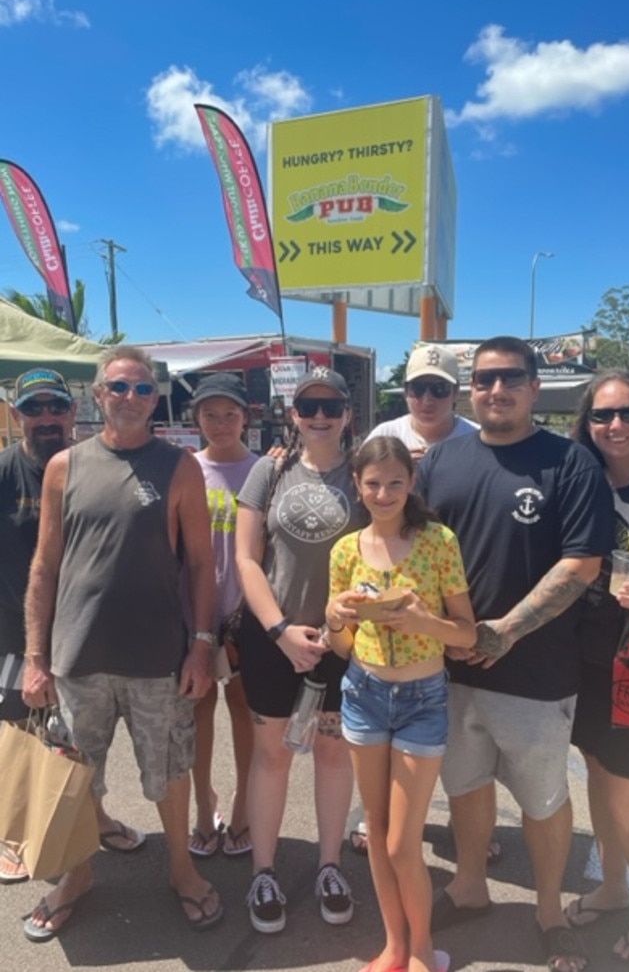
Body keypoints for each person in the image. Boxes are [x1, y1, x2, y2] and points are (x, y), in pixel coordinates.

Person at [415, 336, 614, 972]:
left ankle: (550, 910)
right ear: (471, 387)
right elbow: (414, 552)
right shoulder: (441, 461)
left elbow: (583, 563)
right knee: (466, 787)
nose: (496, 389)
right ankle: (469, 888)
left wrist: (506, 631)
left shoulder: (570, 464)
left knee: (544, 799)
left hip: (537, 673)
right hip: (449, 670)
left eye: (511, 378)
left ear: (533, 387)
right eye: (485, 378)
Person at [21, 345, 222, 940]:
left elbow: (201, 566)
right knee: (75, 779)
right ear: (98, 395)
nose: (130, 398)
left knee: (169, 773)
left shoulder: (179, 466)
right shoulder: (66, 466)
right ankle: (77, 876)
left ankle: (181, 870)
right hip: (78, 659)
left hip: (158, 660)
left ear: (155, 399)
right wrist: (36, 659)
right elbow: (45, 566)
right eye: (118, 387)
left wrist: (202, 645)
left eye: (141, 389)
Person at [325, 436, 476, 972]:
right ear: (358, 486)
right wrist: (336, 617)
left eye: (395, 482)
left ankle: (420, 949)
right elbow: (341, 646)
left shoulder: (438, 541)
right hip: (363, 696)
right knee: (377, 827)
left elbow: (465, 634)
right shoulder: (344, 551)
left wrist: (420, 621)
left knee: (400, 843)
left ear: (411, 484)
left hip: (422, 698)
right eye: (373, 483)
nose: (384, 493)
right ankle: (392, 944)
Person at [0, 367, 144, 886]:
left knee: (81, 746)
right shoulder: (3, 473)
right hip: (21, 640)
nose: (45, 417)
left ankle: (96, 821)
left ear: (73, 411)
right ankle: (21, 834)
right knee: (27, 740)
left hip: (88, 639)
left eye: (55, 407)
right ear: (16, 415)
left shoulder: (91, 466)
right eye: (33, 408)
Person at [235, 366, 363, 933]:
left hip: (342, 642)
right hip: (273, 638)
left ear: (346, 414)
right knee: (273, 755)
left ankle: (329, 864)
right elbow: (246, 557)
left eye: (330, 406)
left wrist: (338, 633)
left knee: (335, 754)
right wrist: (280, 630)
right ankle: (264, 871)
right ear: (293, 413)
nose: (318, 416)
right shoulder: (270, 469)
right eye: (308, 406)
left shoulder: (365, 473)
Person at [566, 370, 629, 966]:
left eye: (628, 413)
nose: (615, 426)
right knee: (597, 770)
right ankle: (613, 884)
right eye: (603, 416)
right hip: (590, 654)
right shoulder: (583, 480)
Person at [188, 372, 256, 859]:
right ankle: (201, 806)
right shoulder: (185, 469)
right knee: (198, 712)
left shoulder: (264, 471)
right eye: (210, 414)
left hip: (247, 615)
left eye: (229, 413)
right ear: (196, 419)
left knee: (243, 711)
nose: (220, 422)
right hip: (196, 615)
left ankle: (242, 807)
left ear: (245, 418)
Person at [367, 344, 477, 463]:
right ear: (406, 391)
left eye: (439, 389)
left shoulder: (477, 439)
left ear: (456, 392)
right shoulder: (384, 435)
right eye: (418, 388)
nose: (427, 400)